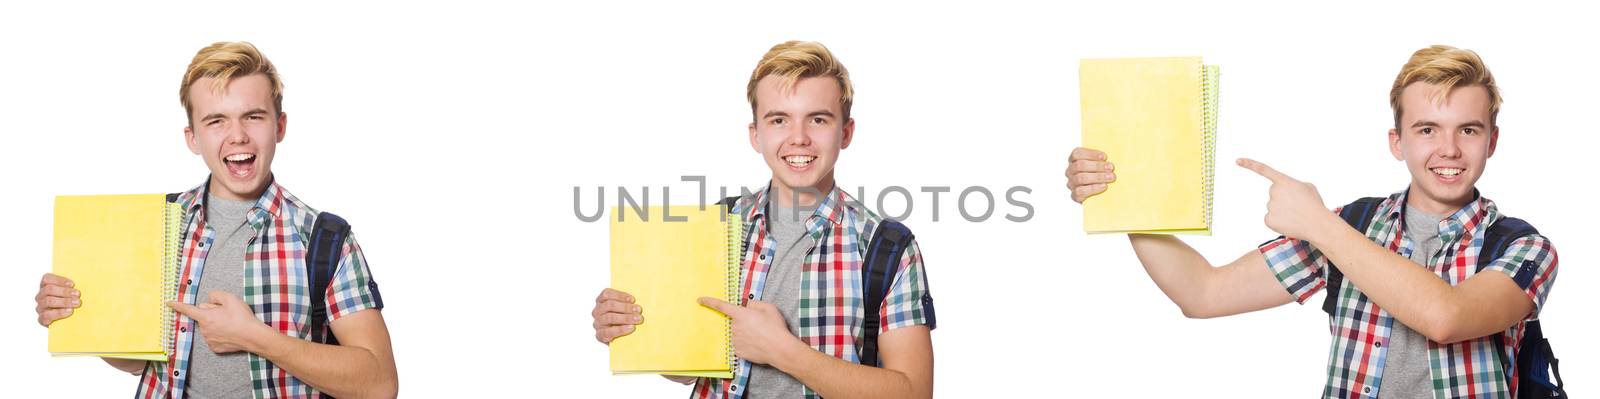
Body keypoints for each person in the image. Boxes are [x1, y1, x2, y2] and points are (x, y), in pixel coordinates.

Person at [1066, 45, 1558, 398]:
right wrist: (1125, 198)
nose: (1448, 149)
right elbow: (1202, 293)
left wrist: (1319, 224)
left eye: (1468, 130)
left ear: (1491, 141)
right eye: (1427, 129)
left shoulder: (1523, 248)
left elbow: (1446, 318)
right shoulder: (1354, 226)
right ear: (1397, 141)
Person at [33, 41, 398, 399]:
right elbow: (137, 362)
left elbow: (379, 384)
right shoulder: (154, 226)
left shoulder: (325, 239)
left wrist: (256, 337)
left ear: (280, 126)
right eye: (216, 121)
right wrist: (78, 315)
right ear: (192, 137)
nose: (237, 136)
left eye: (253, 117)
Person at [590, 41, 936, 399]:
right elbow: (689, 369)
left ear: (845, 133)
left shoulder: (887, 248)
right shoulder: (716, 226)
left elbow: (913, 392)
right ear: (756, 135)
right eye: (779, 120)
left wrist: (782, 351)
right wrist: (633, 328)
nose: (798, 138)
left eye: (818, 119)